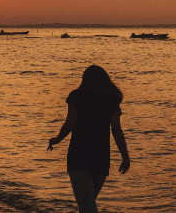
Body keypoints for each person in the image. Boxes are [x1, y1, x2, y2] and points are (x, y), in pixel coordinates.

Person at [47, 65, 130, 213]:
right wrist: (125, 157)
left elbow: (69, 124)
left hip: (79, 158)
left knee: (87, 207)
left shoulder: (76, 97)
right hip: (101, 160)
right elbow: (117, 131)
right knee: (87, 206)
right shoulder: (111, 101)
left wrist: (57, 139)